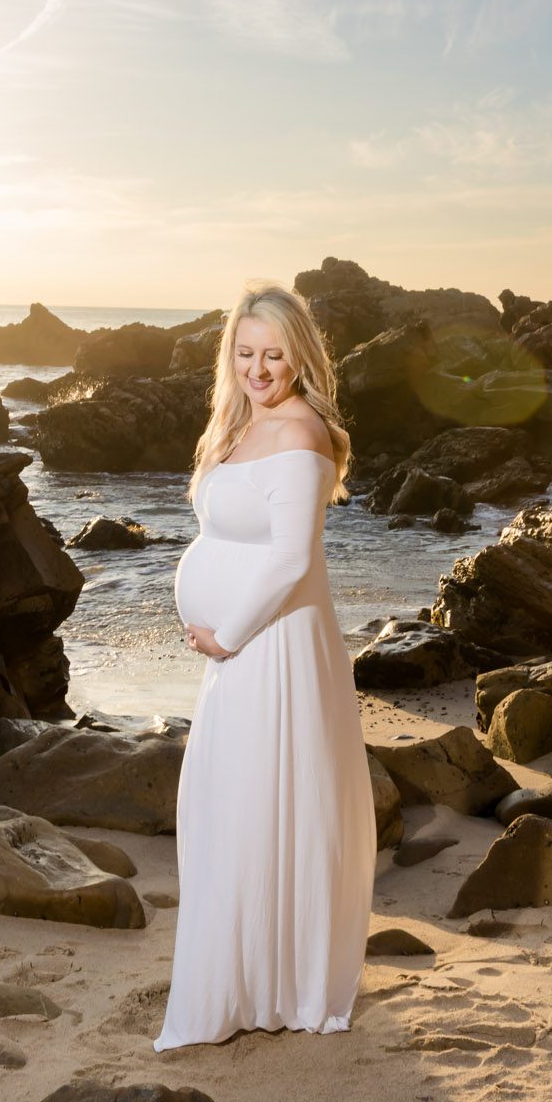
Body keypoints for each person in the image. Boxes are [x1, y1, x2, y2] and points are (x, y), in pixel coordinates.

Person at [152, 279, 379, 1051]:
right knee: (236, 806)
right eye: (245, 353)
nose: (258, 368)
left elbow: (289, 558)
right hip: (240, 649)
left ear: (300, 356)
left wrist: (231, 632)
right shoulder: (241, 423)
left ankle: (276, 986)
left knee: (267, 804)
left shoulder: (300, 434)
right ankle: (247, 978)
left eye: (273, 354)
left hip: (272, 644)